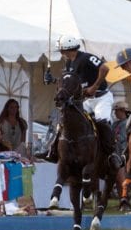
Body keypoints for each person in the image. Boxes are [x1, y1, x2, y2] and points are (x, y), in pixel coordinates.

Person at [44, 34, 121, 171]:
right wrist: (54, 81)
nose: (61, 54)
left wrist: (95, 86)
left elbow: (105, 68)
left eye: (61, 51)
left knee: (102, 122)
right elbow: (70, 83)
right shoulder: (69, 63)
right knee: (66, 120)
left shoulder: (85, 58)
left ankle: (112, 153)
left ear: (66, 50)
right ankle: (52, 150)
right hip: (85, 100)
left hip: (101, 98)